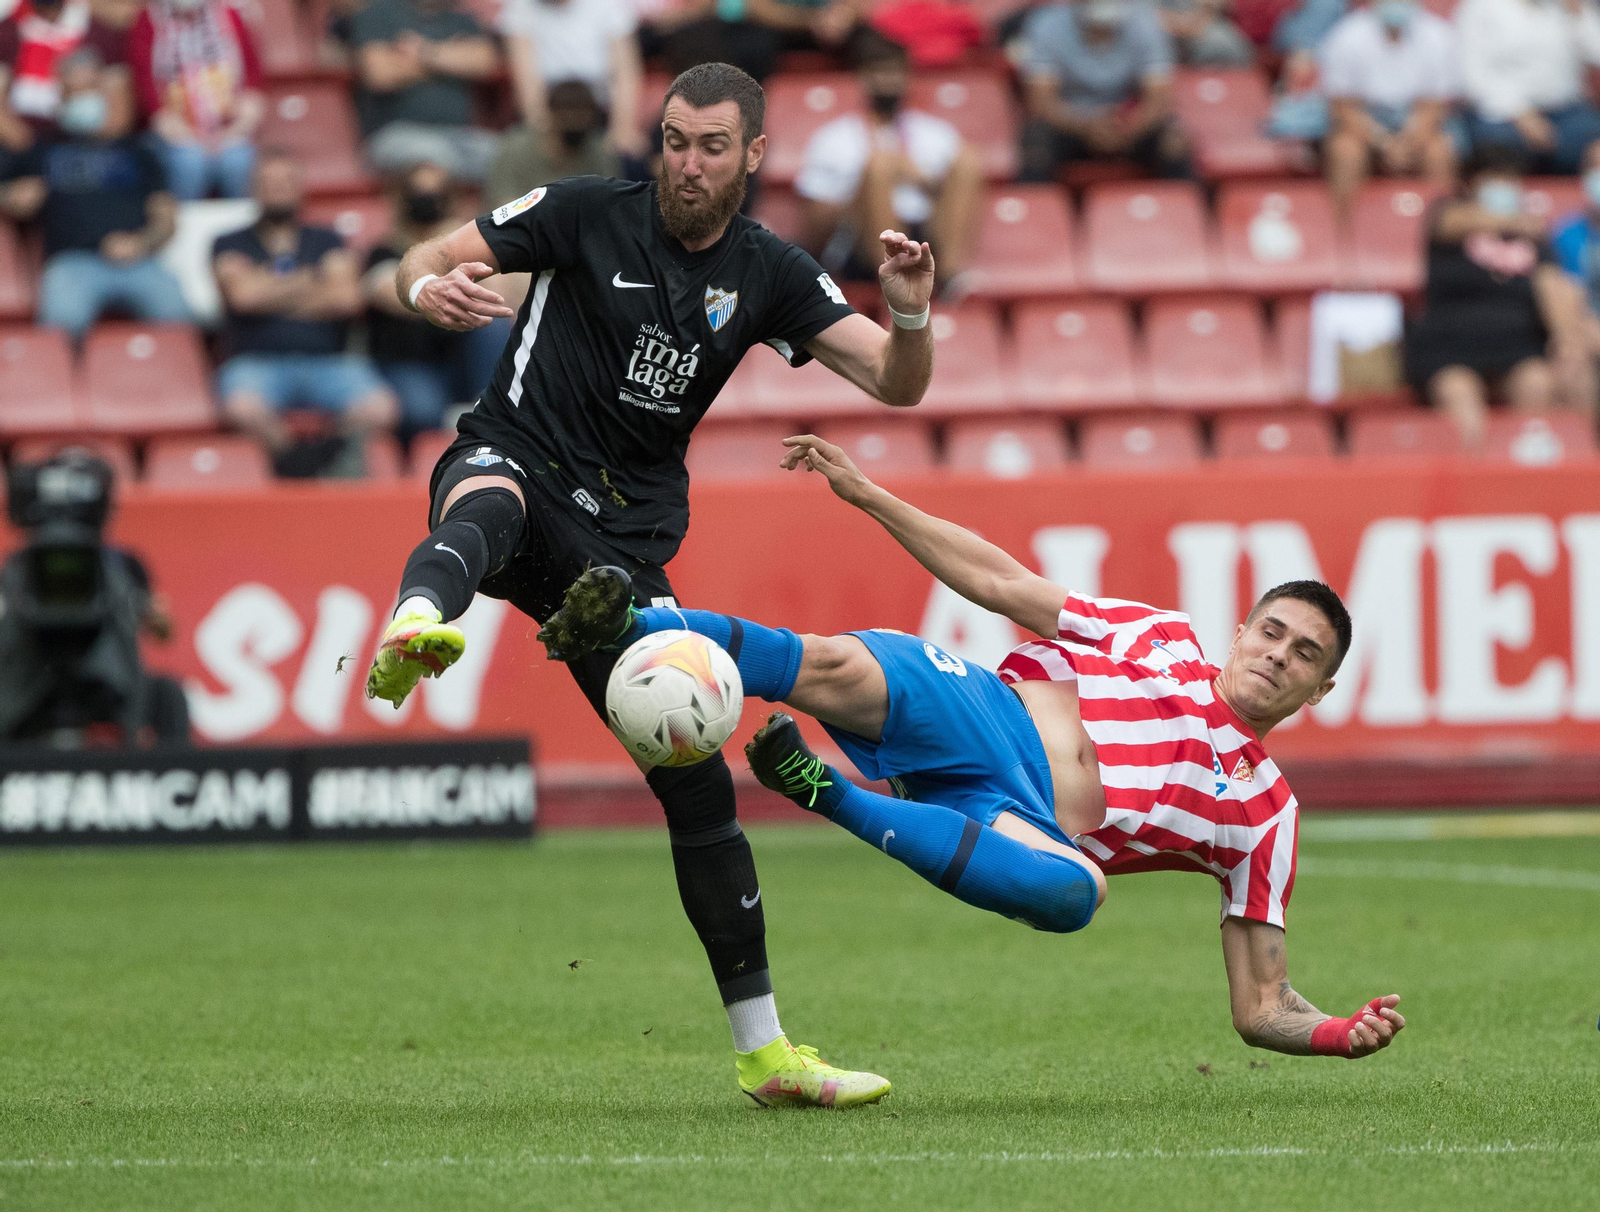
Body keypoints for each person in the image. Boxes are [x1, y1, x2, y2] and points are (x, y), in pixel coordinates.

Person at [363, 62, 936, 1107]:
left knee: (697, 781)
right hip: (516, 461)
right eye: (673, 141)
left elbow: (898, 384)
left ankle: (765, 1056)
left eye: (711, 146)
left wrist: (906, 315)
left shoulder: (767, 272)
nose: (686, 163)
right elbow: (419, 256)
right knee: (487, 500)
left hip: (618, 552)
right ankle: (416, 622)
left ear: (753, 155)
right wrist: (419, 286)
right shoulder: (582, 211)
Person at [536, 432, 1408, 1063]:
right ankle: (632, 616)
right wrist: (871, 496)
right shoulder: (1161, 638)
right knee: (835, 665)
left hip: (1014, 818)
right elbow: (1000, 582)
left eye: (1304, 657)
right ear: (1239, 632)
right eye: (1272, 633)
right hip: (987, 713)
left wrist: (1336, 1033)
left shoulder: (1267, 817)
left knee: (1077, 894)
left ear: (1319, 691)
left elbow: (1260, 1007)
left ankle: (820, 789)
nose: (1277, 657)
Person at [213, 149, 400, 476]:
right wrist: (312, 281)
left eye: (286, 181)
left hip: (328, 361)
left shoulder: (326, 239)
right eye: (268, 182)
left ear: (300, 187)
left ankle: (325, 450)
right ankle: (293, 457)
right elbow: (243, 296)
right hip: (257, 361)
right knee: (241, 408)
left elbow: (345, 298)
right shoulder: (229, 242)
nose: (277, 189)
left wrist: (270, 288)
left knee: (381, 408)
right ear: (253, 188)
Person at [1402, 147, 1596, 448]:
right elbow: (1451, 222)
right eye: (1495, 180)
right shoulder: (1448, 218)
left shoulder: (1535, 240)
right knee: (1461, 397)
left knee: (1538, 386)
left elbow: (1553, 286)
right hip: (1451, 350)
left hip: (1518, 349)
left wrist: (1568, 342)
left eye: (1511, 181)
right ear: (1471, 185)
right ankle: (1473, 483)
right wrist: (1518, 222)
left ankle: (1525, 482)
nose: (1505, 188)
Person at [0, 49, 188, 339]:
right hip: (71, 264)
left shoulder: (140, 151)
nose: (83, 99)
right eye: (74, 92)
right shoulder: (42, 150)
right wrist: (13, 198)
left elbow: (167, 215)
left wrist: (142, 243)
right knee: (59, 331)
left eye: (89, 89)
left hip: (140, 261)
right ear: (61, 99)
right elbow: (10, 193)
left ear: (103, 92)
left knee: (179, 321)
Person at [795, 30, 981, 290]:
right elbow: (814, 227)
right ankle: (896, 283)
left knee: (967, 162)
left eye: (895, 73)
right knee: (879, 168)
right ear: (863, 78)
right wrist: (866, 186)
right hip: (858, 244)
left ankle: (949, 281)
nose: (888, 83)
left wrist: (916, 177)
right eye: (880, 74)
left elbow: (956, 192)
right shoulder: (833, 138)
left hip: (925, 233)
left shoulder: (935, 134)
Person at [364, 161, 507, 437]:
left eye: (437, 195)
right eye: (419, 196)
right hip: (408, 363)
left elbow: (499, 296)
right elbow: (393, 293)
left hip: (461, 361)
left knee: (495, 325)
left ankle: (489, 412)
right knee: (423, 409)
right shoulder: (383, 250)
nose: (428, 205)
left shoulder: (465, 250)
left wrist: (455, 243)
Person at [1018, 0, 1191, 183]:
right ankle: (1038, 209)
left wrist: (1130, 128)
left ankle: (1180, 209)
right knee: (1036, 145)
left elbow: (1159, 99)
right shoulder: (1046, 24)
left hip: (1128, 124)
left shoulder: (1147, 23)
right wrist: (1087, 126)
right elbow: (1042, 102)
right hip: (1070, 124)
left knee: (1174, 142)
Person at [1318, 0, 1458, 221]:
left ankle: (1440, 238)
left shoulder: (1438, 35)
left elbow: (1435, 106)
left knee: (1439, 152)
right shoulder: (1346, 35)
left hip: (1415, 120)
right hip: (1366, 120)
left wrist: (1408, 142)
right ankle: (1343, 237)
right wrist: (1383, 142)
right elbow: (1343, 107)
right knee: (1346, 152)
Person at [126, 0, 265, 201]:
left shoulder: (229, 15)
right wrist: (170, 124)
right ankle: (186, 228)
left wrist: (241, 122)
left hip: (229, 127)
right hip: (175, 131)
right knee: (189, 162)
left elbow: (252, 73)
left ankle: (242, 228)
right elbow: (143, 80)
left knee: (238, 160)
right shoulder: (148, 20)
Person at [349, 0, 501, 182]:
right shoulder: (378, 13)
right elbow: (380, 74)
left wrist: (422, 52)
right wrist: (451, 59)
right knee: (432, 157)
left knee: (507, 157)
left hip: (460, 135)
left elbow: (485, 62)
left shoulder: (462, 19)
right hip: (393, 136)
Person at [1456, 0, 1600, 176]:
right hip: (1503, 115)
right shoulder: (1481, 7)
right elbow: (1474, 76)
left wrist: (1579, 13)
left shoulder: (1563, 6)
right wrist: (1520, 113)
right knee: (1499, 148)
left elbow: (1596, 54)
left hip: (1567, 113)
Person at [499, 0, 644, 163]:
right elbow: (525, 80)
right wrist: (544, 131)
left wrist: (622, 128)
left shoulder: (609, 4)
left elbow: (625, 71)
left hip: (599, 114)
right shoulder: (520, 6)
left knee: (629, 157)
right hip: (550, 115)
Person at [0, 0, 132, 176]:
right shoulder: (8, 31)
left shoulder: (98, 31)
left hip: (86, 144)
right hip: (22, 148)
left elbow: (118, 113)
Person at [485, 78, 621, 211]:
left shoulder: (599, 153)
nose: (574, 123)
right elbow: (504, 208)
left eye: (581, 121)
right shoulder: (517, 148)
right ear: (550, 115)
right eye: (567, 120)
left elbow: (609, 207)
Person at [1154, 0, 1254, 66]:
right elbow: (1145, 14)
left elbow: (1218, 5)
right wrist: (1178, 24)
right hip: (1161, 30)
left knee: (1225, 45)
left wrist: (1198, 19)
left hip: (1204, 23)